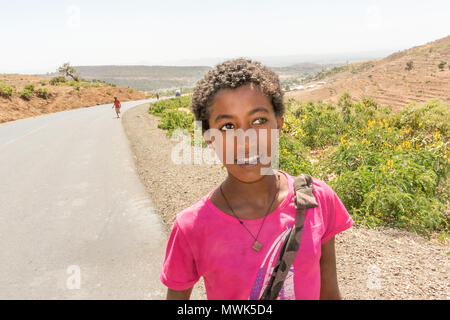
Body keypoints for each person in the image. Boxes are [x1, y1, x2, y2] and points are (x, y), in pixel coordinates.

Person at [160, 58, 354, 300]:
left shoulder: (317, 199)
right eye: (228, 126)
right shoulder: (191, 228)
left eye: (259, 121)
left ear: (279, 124)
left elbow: (330, 293)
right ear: (209, 137)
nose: (246, 140)